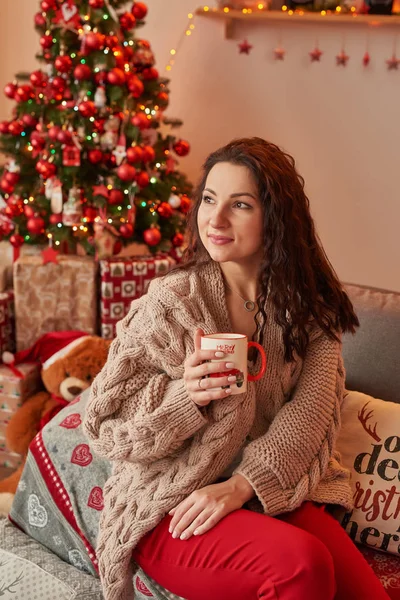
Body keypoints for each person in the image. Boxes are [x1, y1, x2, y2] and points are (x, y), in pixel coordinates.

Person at [84, 137, 391, 600]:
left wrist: (241, 486)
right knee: (302, 568)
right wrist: (187, 397)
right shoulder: (173, 303)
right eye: (209, 199)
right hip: (172, 504)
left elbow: (309, 417)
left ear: (275, 220)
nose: (216, 219)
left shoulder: (309, 311)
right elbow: (104, 424)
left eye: (240, 204)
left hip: (263, 494)